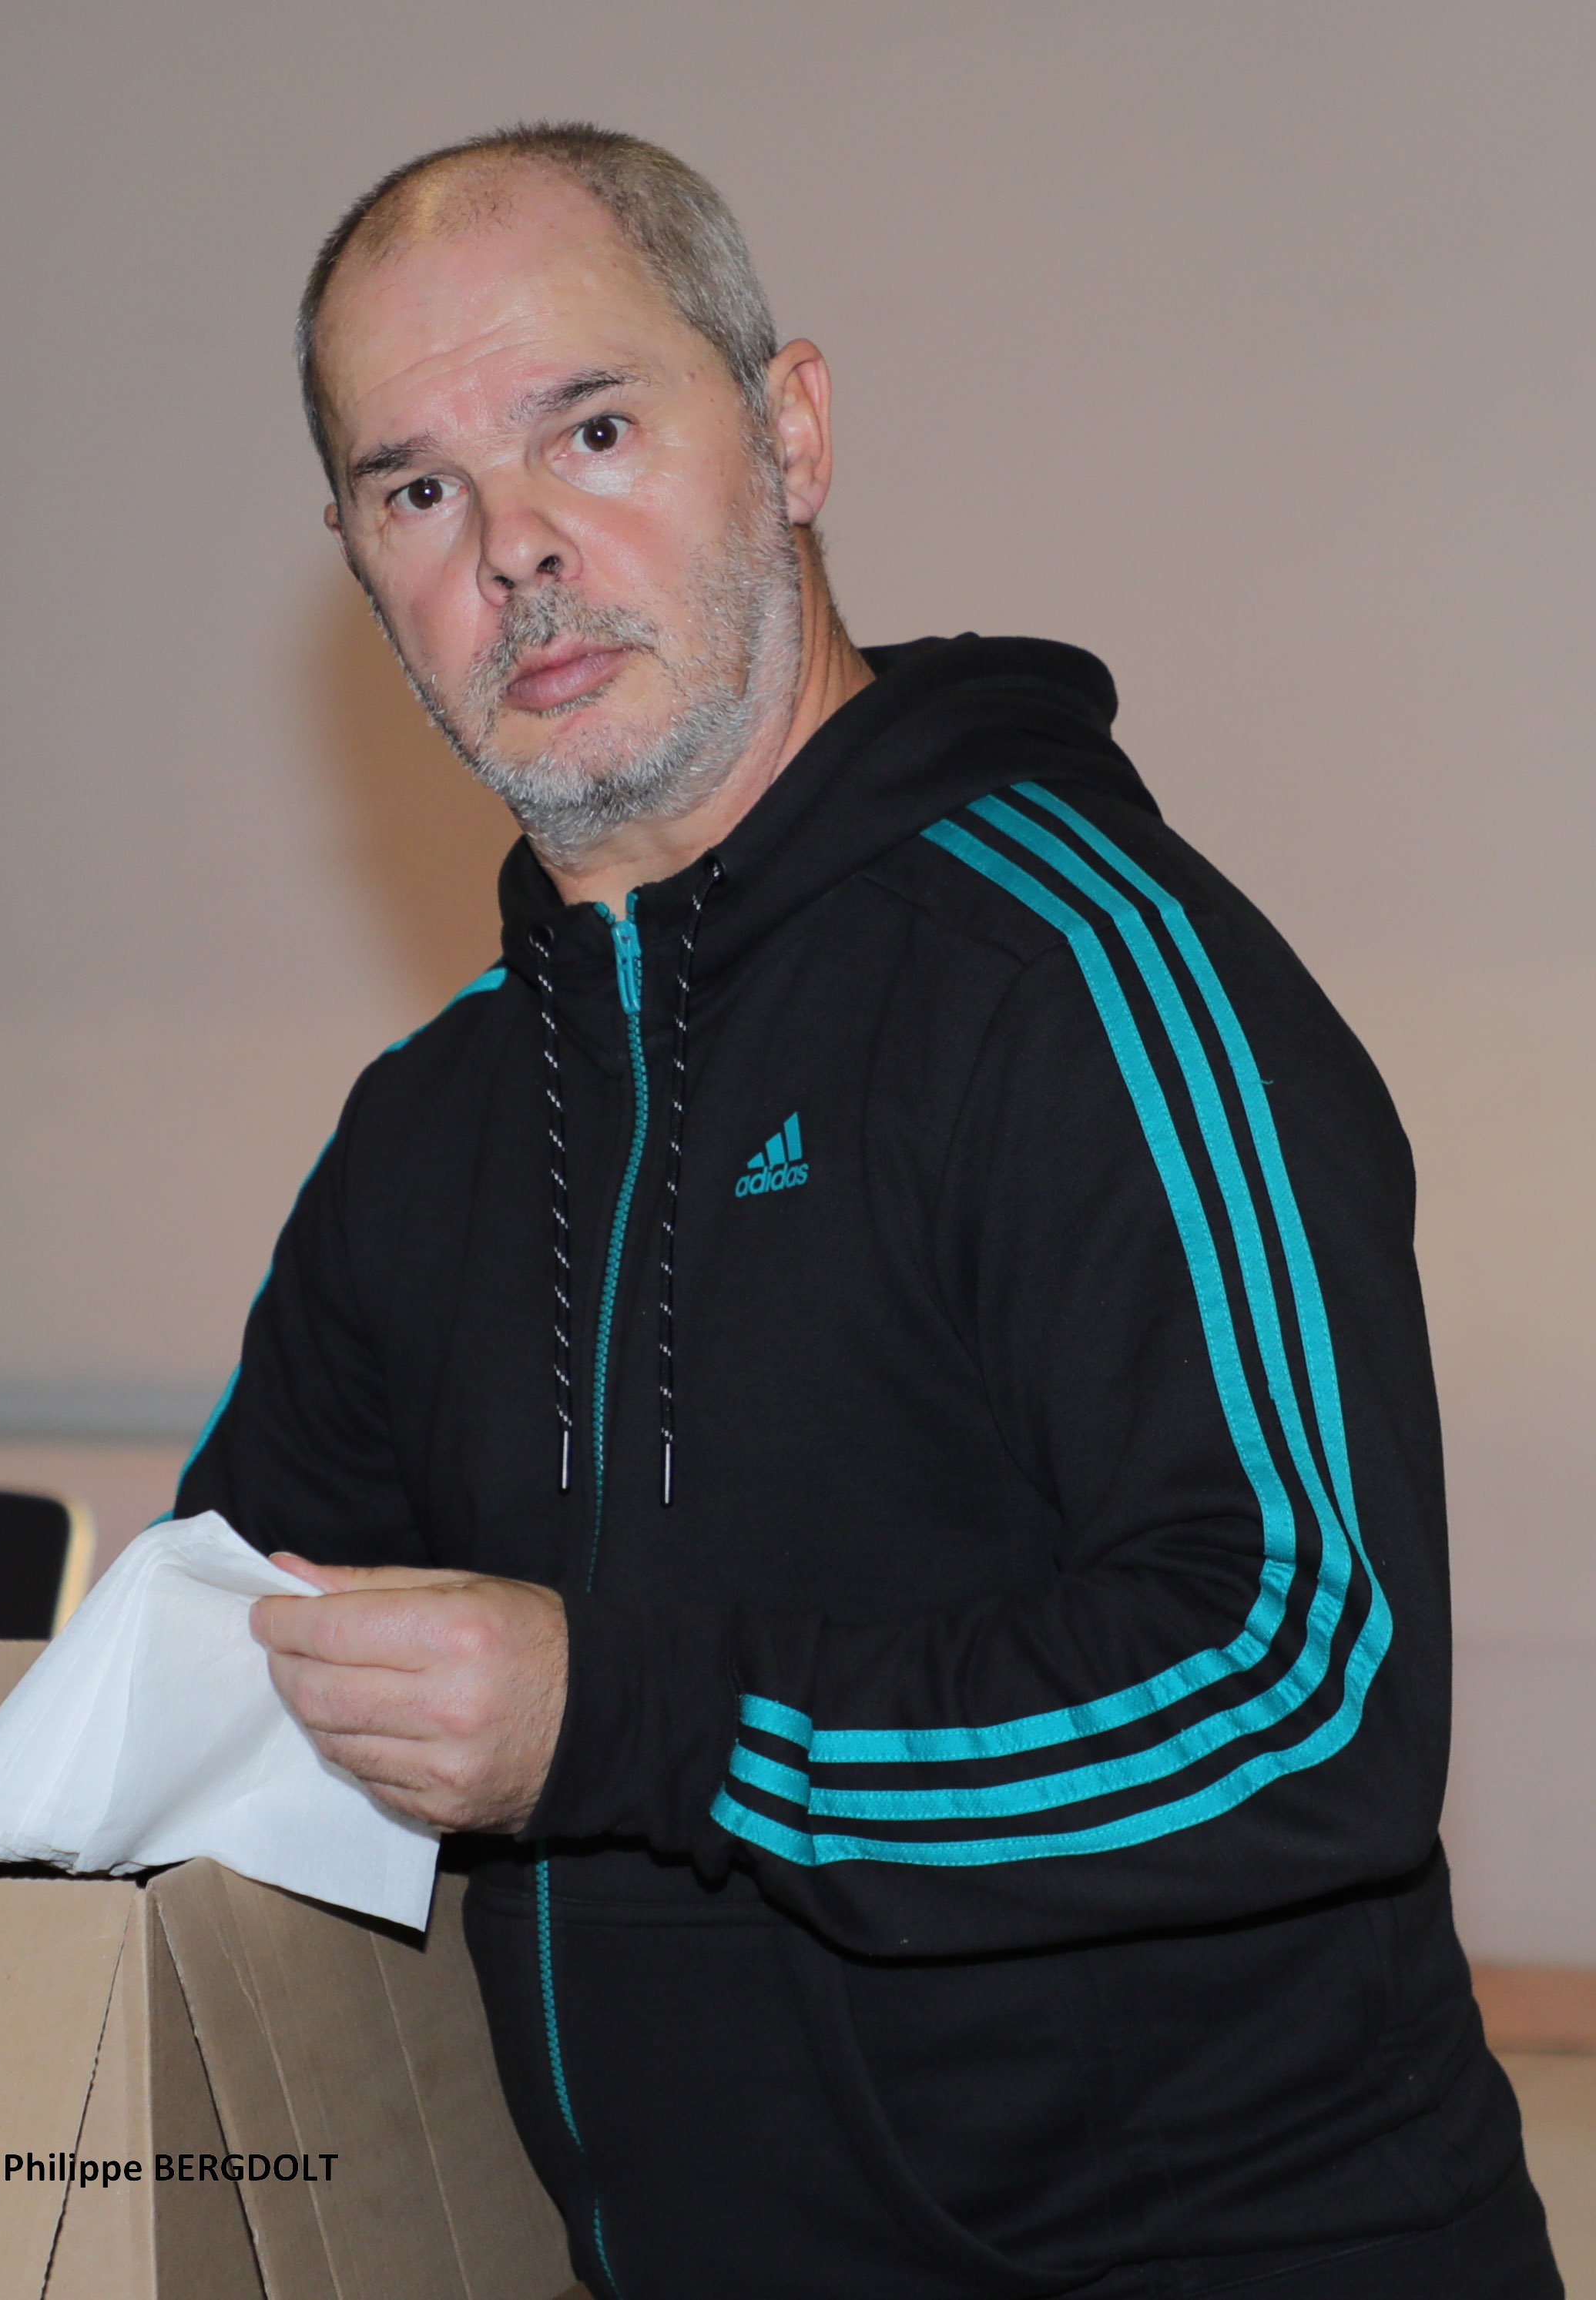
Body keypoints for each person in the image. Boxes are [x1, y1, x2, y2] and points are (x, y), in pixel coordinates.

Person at [186, 123, 1561, 2297]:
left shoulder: (1087, 980)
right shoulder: (426, 1132)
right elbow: (222, 1683)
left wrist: (619, 1719)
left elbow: (1308, 1692)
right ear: (362, 568)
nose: (516, 548)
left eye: (592, 429)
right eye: (418, 490)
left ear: (794, 433)